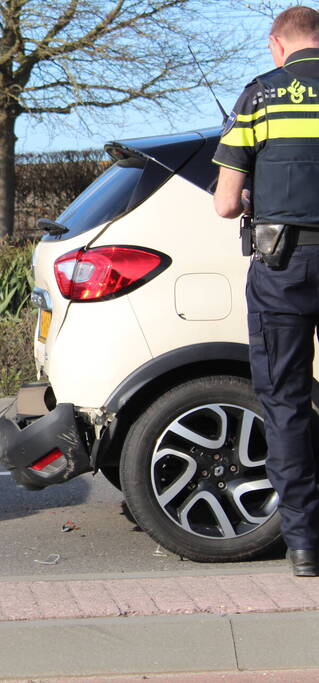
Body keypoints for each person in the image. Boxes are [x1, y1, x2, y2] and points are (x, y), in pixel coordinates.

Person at [213, 5, 319, 577]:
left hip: (284, 266)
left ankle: (305, 544)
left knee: (285, 402)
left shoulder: (261, 95)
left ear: (279, 44)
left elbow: (226, 201)